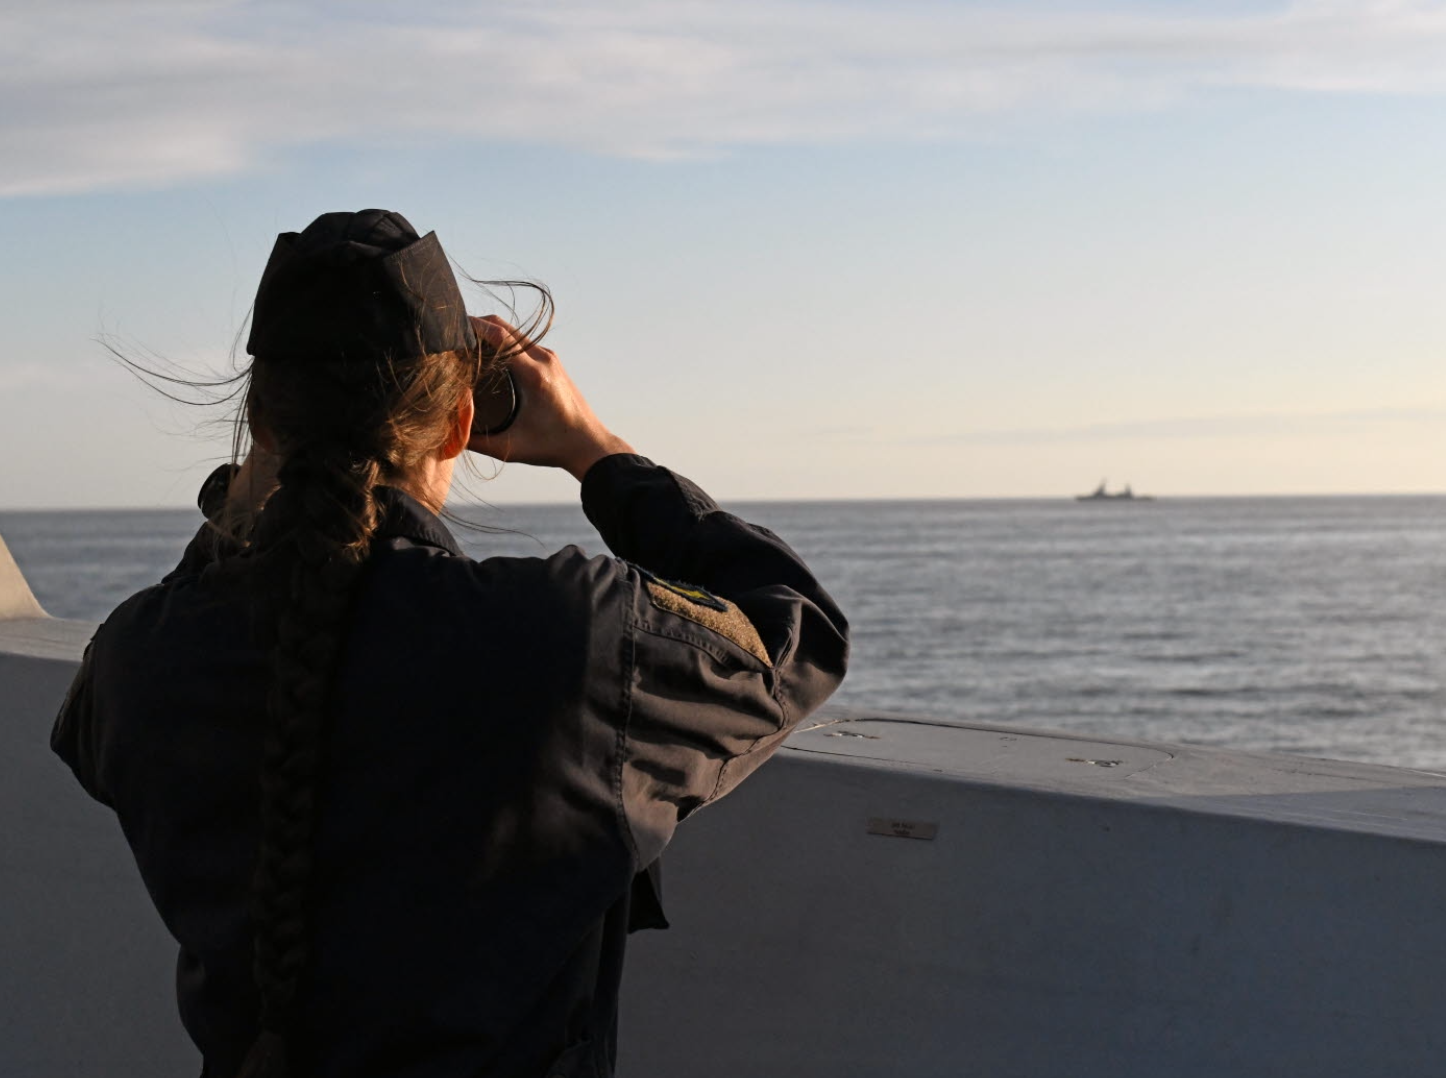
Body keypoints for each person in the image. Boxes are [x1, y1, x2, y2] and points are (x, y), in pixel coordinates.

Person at [51, 210, 848, 1078]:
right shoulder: (565, 639)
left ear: (261, 425)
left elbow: (92, 734)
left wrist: (257, 498)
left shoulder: (140, 657)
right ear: (462, 422)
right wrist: (597, 452)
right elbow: (797, 632)